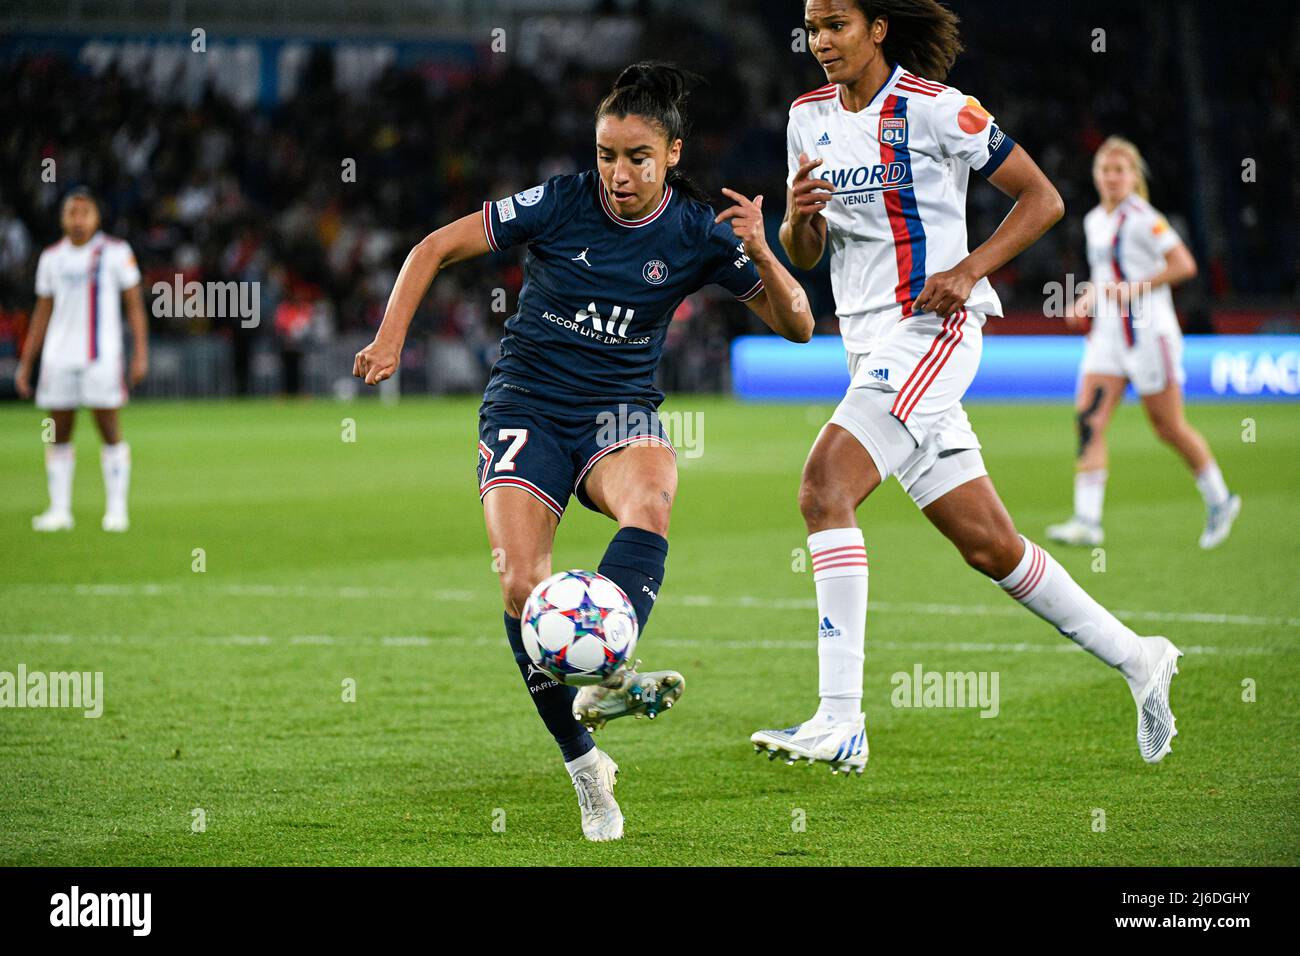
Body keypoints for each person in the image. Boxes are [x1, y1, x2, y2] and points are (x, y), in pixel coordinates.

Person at [354, 63, 813, 840]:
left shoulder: (699, 231)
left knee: (651, 498)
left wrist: (763, 253)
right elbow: (433, 246)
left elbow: (799, 326)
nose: (618, 172)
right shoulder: (560, 203)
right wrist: (389, 336)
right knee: (521, 586)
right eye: (606, 154)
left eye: (636, 156)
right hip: (527, 409)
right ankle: (585, 764)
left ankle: (607, 672)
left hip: (617, 415)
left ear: (671, 153)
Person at [751, 0, 1182, 774]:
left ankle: (840, 721)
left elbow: (1043, 197)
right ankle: (1140, 657)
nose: (820, 42)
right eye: (812, 27)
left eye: (836, 25)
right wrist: (795, 220)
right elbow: (806, 251)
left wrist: (969, 268)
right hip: (867, 346)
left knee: (824, 488)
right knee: (989, 545)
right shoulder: (805, 118)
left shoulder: (937, 109)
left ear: (877, 27)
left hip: (933, 331)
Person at [1047, 136, 1240, 550]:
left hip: (1150, 335)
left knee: (1168, 427)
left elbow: (1184, 265)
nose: (1112, 178)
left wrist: (1137, 288)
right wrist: (1084, 299)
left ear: (1134, 176)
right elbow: (1104, 277)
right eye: (1105, 170)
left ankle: (1220, 499)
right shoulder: (1095, 220)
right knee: (1088, 421)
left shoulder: (1145, 218)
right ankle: (1087, 520)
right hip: (1109, 337)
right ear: (1096, 176)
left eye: (1120, 170)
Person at [16, 188, 148, 532]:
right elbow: (42, 312)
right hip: (59, 357)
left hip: (100, 357)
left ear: (96, 218)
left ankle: (117, 509)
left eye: (84, 213)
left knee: (108, 427)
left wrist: (140, 353)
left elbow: (134, 304)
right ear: (63, 218)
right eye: (72, 213)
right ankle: (59, 510)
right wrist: (27, 362)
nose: (78, 220)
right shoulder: (51, 258)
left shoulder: (117, 253)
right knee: (56, 431)